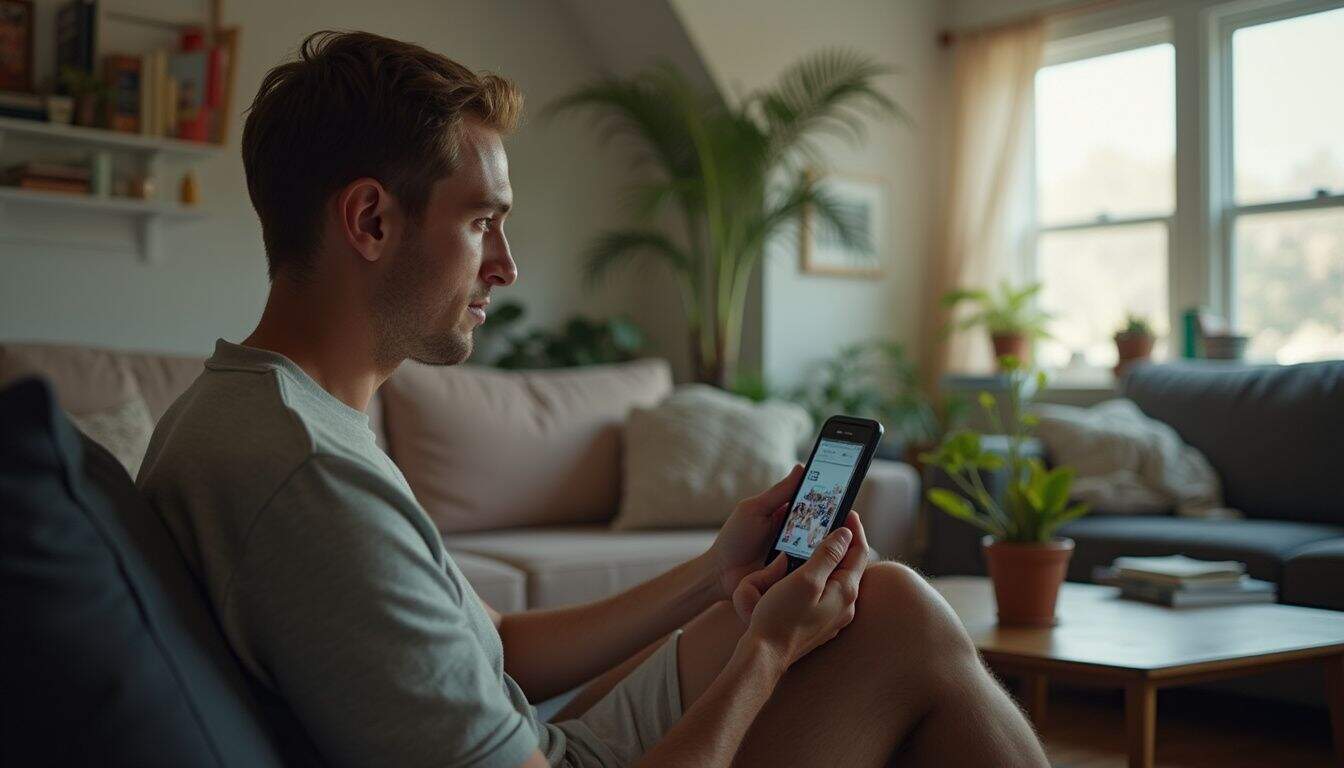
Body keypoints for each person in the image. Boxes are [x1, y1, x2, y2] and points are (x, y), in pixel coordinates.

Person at [138, 30, 1050, 768]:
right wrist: (768, 649)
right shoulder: (306, 476)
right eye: (482, 220)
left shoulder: (277, 415)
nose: (507, 263)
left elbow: (498, 643)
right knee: (898, 620)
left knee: (880, 602)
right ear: (371, 220)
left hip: (546, 736)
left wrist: (713, 569)